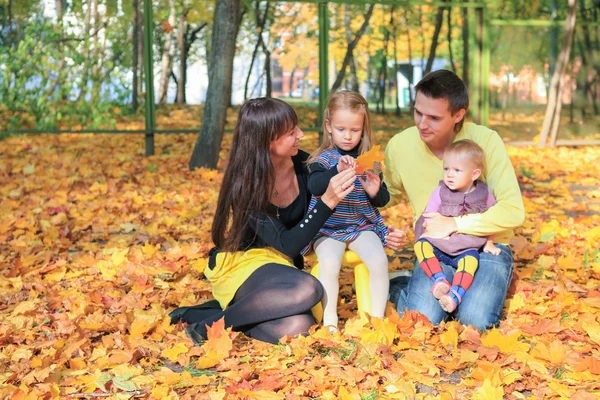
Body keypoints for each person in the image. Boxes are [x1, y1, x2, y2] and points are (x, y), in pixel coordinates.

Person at [169, 97, 404, 344]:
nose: (301, 134)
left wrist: (381, 229)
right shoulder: (246, 186)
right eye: (292, 132)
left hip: (284, 266)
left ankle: (212, 312)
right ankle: (207, 327)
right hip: (246, 262)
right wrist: (327, 202)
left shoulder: (305, 165)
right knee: (309, 289)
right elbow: (288, 243)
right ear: (268, 140)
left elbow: (356, 208)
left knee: (299, 326)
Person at [384, 70, 525, 330]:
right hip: (435, 248)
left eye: (434, 117)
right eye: (418, 112)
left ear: (458, 115)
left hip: (485, 248)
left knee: (475, 321)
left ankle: (476, 289)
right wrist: (371, 192)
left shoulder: (486, 141)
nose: (422, 124)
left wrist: (456, 224)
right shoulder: (399, 145)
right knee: (421, 322)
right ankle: (402, 285)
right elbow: (391, 193)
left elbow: (513, 211)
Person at [304, 91, 402, 331]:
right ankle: (330, 324)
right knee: (329, 263)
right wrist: (335, 170)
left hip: (361, 225)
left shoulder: (370, 160)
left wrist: (375, 190)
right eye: (341, 129)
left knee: (378, 260)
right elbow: (314, 186)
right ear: (328, 127)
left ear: (363, 128)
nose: (348, 137)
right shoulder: (323, 160)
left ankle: (376, 320)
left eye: (354, 130)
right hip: (328, 227)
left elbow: (383, 199)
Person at [414, 139, 501, 314]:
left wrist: (489, 243)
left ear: (475, 174)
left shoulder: (484, 195)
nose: (449, 175)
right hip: (442, 243)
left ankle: (454, 295)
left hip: (467, 248)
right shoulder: (440, 192)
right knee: (421, 246)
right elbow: (428, 217)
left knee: (470, 263)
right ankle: (439, 280)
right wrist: (435, 233)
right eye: (446, 169)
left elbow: (491, 220)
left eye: (457, 170)